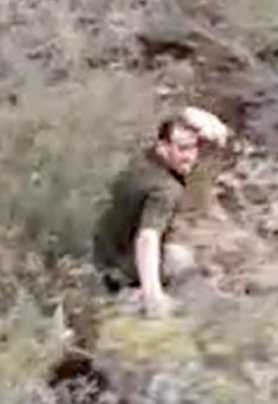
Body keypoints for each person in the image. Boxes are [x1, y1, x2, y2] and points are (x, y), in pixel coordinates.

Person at [92, 107, 230, 317]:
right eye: (182, 149)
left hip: (102, 251)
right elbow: (148, 237)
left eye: (194, 148)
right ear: (164, 147)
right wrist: (153, 295)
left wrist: (208, 125)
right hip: (119, 265)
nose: (190, 157)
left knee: (178, 252)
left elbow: (182, 116)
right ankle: (131, 290)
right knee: (182, 260)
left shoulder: (144, 160)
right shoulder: (165, 189)